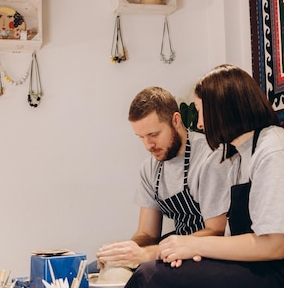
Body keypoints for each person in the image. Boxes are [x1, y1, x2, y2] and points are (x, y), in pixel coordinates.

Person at [97, 65, 284, 288]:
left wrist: (191, 243)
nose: (200, 124)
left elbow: (276, 244)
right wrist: (188, 252)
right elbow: (237, 234)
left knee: (153, 276)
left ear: (225, 110)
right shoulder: (240, 155)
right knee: (159, 271)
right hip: (266, 265)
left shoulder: (275, 152)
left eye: (202, 112)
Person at [95, 86, 231, 270]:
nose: (148, 145)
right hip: (174, 251)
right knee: (94, 270)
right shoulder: (149, 169)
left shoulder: (209, 157)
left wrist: (150, 253)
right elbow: (147, 233)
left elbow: (217, 229)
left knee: (146, 273)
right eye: (141, 137)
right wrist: (124, 252)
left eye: (153, 135)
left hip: (209, 254)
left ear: (176, 120)